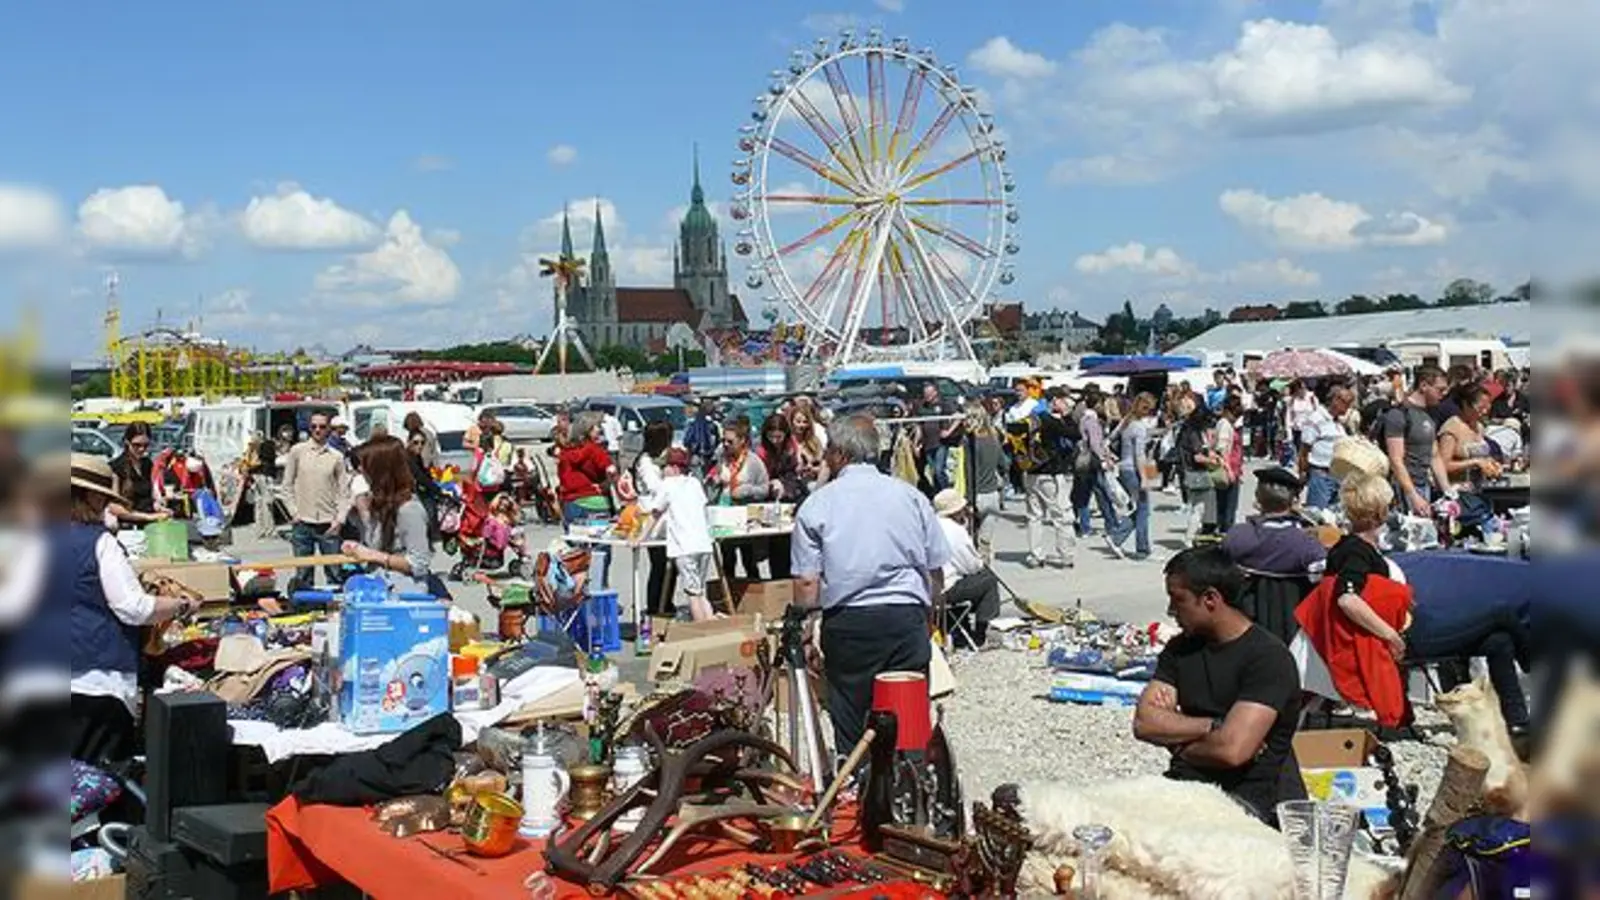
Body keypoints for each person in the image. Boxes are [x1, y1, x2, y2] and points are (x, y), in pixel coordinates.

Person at [791, 414, 951, 755]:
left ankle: (859, 787)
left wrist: (805, 632)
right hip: (904, 615)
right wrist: (929, 613)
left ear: (837, 454)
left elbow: (807, 581)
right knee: (906, 714)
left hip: (850, 621)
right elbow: (935, 568)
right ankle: (911, 788)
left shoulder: (818, 504)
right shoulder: (911, 497)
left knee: (852, 714)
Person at [1133, 546, 1306, 828]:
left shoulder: (1267, 658)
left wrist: (1176, 742)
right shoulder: (1180, 649)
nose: (1171, 610)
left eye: (1178, 600)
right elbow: (1145, 722)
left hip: (1249, 803)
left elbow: (1232, 751)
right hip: (1186, 785)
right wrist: (1213, 726)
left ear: (1211, 599)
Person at [61, 455, 199, 762]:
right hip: (94, 679)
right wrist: (181, 605)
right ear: (92, 496)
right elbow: (133, 607)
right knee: (95, 787)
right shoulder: (98, 542)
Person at [339, 436, 436, 596]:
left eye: (365, 465)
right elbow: (374, 544)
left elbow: (419, 564)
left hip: (404, 595)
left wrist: (371, 555)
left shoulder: (409, 509)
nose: (360, 470)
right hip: (378, 588)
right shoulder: (379, 503)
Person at [637, 448, 716, 622]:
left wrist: (640, 538)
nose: (662, 471)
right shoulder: (695, 483)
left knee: (692, 594)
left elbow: (655, 514)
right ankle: (711, 628)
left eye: (665, 466)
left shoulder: (668, 485)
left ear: (674, 467)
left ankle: (703, 630)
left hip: (684, 546)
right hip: (703, 544)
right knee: (700, 591)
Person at [282, 411, 352, 591]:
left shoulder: (336, 456)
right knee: (303, 574)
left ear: (329, 429)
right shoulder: (298, 451)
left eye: (322, 427)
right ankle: (305, 610)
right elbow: (286, 486)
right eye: (314, 426)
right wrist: (294, 512)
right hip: (303, 522)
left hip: (329, 523)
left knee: (335, 573)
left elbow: (344, 491)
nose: (317, 430)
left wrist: (340, 519)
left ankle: (336, 610)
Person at [932, 489, 1001, 649]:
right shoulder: (955, 531)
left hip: (928, 589)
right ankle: (982, 632)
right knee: (989, 580)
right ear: (957, 510)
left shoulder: (931, 524)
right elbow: (973, 566)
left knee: (974, 580)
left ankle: (960, 627)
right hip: (945, 589)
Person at [1071, 386, 1134, 556]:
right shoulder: (1092, 421)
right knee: (1103, 493)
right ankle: (1110, 524)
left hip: (1085, 461)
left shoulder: (1083, 418)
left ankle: (1086, 525)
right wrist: (1105, 458)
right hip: (1093, 462)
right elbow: (1095, 443)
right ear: (1097, 404)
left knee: (1087, 493)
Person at [1384, 366, 1453, 517]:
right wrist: (1413, 495)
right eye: (1439, 390)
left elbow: (1434, 456)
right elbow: (1396, 460)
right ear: (1423, 386)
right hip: (1404, 487)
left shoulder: (1429, 415)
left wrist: (1448, 491)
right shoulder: (1399, 414)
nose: (1443, 395)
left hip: (1424, 484)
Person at [709, 417, 770, 580]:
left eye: (730, 441)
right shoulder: (722, 458)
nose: (726, 445)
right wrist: (715, 482)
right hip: (725, 517)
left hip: (745, 519)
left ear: (742, 440)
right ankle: (730, 600)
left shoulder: (754, 462)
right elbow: (712, 483)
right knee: (728, 561)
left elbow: (765, 489)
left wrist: (747, 490)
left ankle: (755, 598)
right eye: (724, 441)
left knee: (749, 561)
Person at [632, 422, 676, 617]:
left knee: (670, 566)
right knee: (659, 565)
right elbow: (656, 488)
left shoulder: (659, 460)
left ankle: (666, 603)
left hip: (664, 519)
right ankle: (655, 607)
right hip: (652, 518)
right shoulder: (646, 462)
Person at [1113, 392, 1158, 559]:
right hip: (1135, 469)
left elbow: (1111, 438)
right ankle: (1142, 549)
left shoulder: (1126, 421)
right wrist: (1145, 478)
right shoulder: (1139, 427)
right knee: (1143, 509)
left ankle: (1116, 537)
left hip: (1124, 468)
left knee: (1140, 508)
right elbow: (1140, 455)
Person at [1437, 384, 1504, 493]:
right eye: (1480, 408)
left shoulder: (1479, 426)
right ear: (1466, 405)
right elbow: (1443, 465)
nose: (1484, 412)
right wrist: (1474, 462)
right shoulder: (1452, 428)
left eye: (1487, 408)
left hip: (1480, 490)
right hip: (1458, 491)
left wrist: (1491, 464)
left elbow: (1482, 457)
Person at [556, 412, 616, 527]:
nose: (599, 429)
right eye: (596, 426)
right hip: (595, 500)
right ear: (587, 429)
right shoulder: (595, 449)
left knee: (576, 541)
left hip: (571, 502)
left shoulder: (565, 453)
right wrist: (607, 483)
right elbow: (611, 470)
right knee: (599, 541)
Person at [1300, 383, 1354, 510]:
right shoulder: (1316, 419)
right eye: (1346, 403)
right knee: (1318, 515)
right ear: (1335, 401)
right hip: (1321, 476)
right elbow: (1304, 450)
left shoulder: (1338, 423)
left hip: (1338, 476)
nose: (1348, 408)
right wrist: (1302, 473)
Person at [964, 403, 1006, 564]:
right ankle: (987, 570)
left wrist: (968, 499)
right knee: (985, 543)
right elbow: (1003, 464)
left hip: (976, 494)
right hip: (992, 494)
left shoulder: (970, 442)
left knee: (971, 543)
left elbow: (969, 472)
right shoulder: (994, 438)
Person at [106, 422, 170, 527]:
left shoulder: (147, 464)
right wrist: (149, 517)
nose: (141, 449)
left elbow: (146, 498)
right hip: (129, 527)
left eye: (146, 445)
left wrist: (158, 507)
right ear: (127, 442)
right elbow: (115, 508)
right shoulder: (116, 467)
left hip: (151, 524)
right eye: (137, 445)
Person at [916, 383, 959, 493]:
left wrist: (949, 431)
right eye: (925, 393)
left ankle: (947, 492)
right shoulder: (922, 407)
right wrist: (917, 443)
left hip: (941, 443)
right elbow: (919, 426)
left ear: (935, 393)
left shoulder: (944, 404)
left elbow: (958, 417)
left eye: (929, 393)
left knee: (939, 470)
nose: (927, 396)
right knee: (933, 472)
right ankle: (938, 493)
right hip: (927, 443)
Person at [1213, 395, 1245, 532]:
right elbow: (1222, 449)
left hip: (1233, 467)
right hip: (1228, 469)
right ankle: (1226, 532)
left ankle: (1223, 530)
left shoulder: (1224, 423)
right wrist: (1229, 470)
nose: (1235, 419)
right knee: (1228, 506)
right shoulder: (1225, 425)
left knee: (1224, 504)